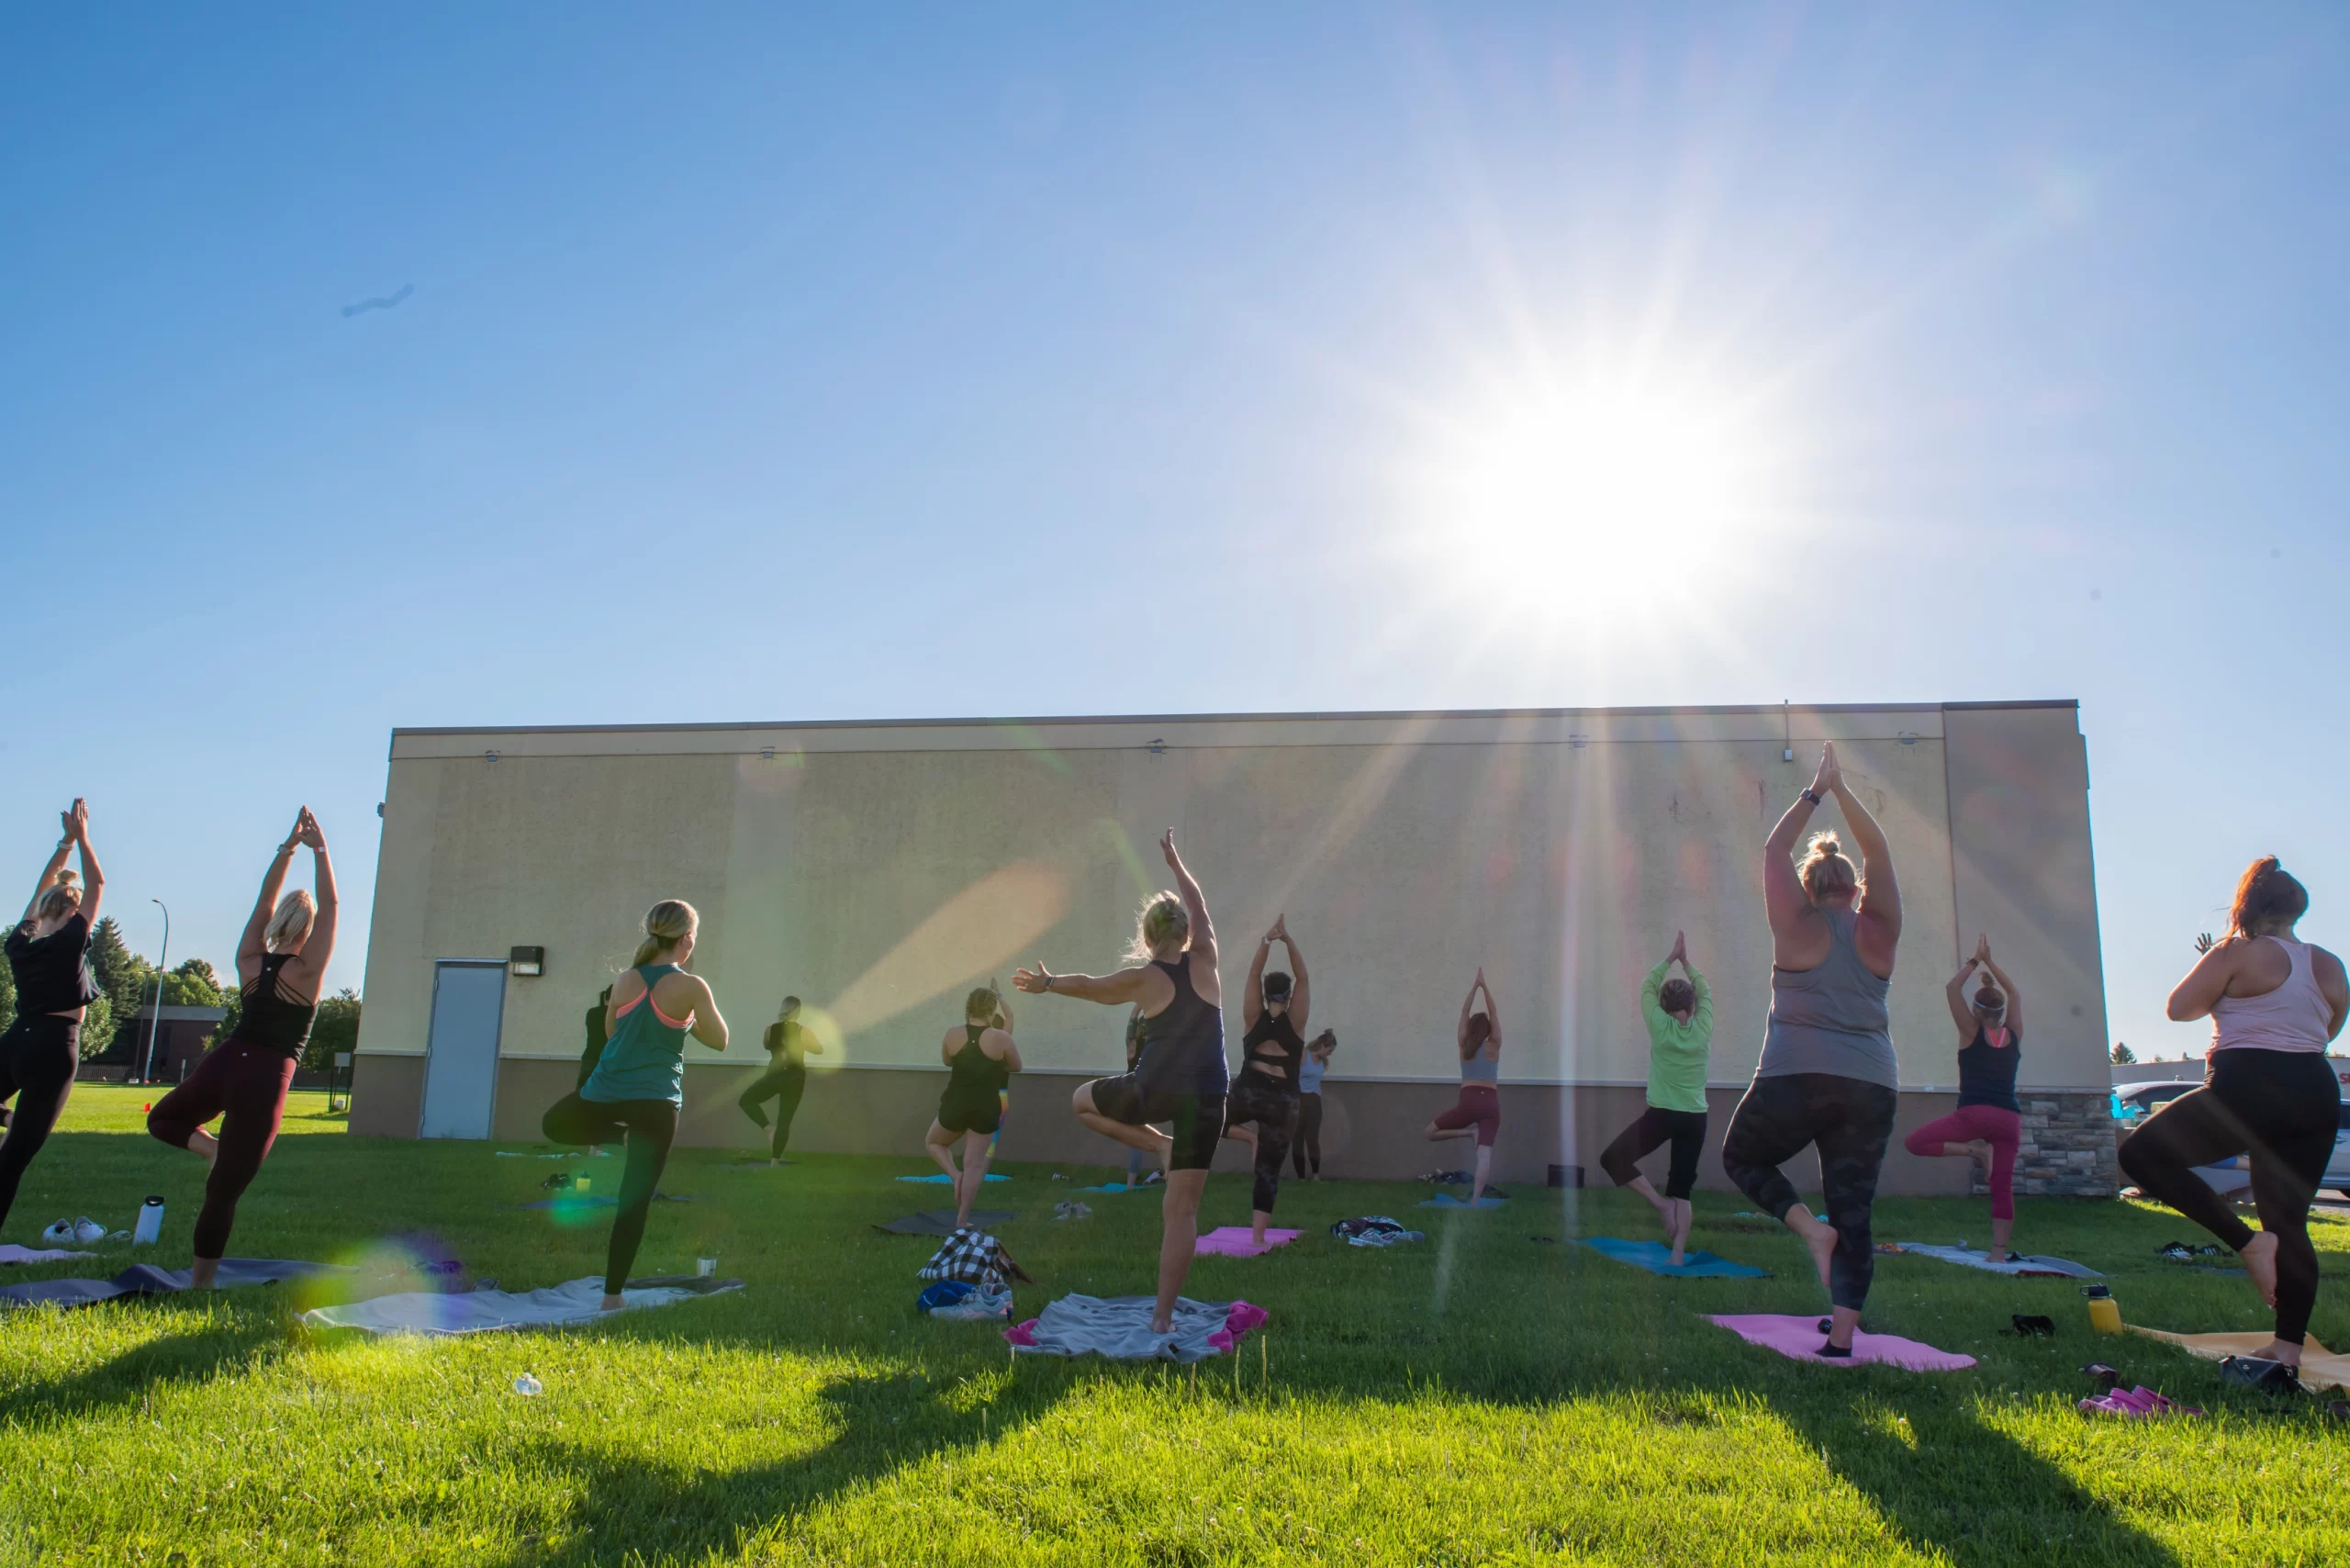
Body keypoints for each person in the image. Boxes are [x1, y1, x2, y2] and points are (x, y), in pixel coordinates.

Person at [2119, 857, 2346, 1388]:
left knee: (2139, 1156)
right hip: (2314, 1089)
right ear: (2298, 907)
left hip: (2247, 1087)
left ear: (2247, 906)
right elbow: (2328, 1027)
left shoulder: (2236, 952)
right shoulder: (2329, 963)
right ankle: (2287, 1348)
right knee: (2289, 1222)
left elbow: (2180, 1009)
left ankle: (2246, 1243)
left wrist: (2218, 967)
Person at [1720, 743, 1903, 1358]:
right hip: (1870, 1084)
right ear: (1856, 889)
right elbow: (1878, 851)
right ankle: (1843, 1340)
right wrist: (1846, 791)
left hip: (1795, 1079)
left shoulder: (1794, 926)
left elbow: (1772, 849)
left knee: (1742, 1157)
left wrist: (1816, 792)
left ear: (1808, 888)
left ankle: (1807, 1230)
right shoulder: (1878, 930)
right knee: (1854, 1208)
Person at [1015, 828, 1225, 1337]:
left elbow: (1092, 988)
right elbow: (1197, 901)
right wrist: (1176, 865)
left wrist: (1047, 983)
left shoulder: (1144, 978)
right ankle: (1162, 1318)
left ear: (1149, 938)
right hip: (1210, 1097)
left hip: (1152, 1091)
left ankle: (1158, 1145)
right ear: (1186, 932)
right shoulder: (1208, 959)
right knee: (1182, 1214)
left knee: (1081, 1102)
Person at [149, 808, 335, 1286]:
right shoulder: (308, 972)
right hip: (265, 1076)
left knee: (162, 1119)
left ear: (278, 923)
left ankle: (209, 1152)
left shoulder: (248, 961)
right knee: (223, 1193)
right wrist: (321, 850)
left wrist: (288, 848)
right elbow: (332, 906)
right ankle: (201, 1286)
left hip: (227, 1060)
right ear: (308, 931)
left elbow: (263, 900)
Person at [541, 900, 730, 1310]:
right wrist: (686, 1018)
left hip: (605, 1091)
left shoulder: (624, 981)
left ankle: (619, 1136)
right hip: (656, 1102)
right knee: (633, 1202)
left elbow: (611, 1033)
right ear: (687, 939)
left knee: (554, 1125)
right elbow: (720, 1040)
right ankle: (612, 1298)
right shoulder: (692, 987)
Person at [2, 801, 104, 1238]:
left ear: (42, 911)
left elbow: (37, 895)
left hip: (16, 1041)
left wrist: (64, 844)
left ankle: (8, 1116)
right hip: (55, 1046)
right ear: (71, 912)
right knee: (13, 1159)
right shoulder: (68, 943)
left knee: (15, 1136)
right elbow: (97, 881)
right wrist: (83, 837)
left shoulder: (20, 944)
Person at [1905, 935, 2025, 1257]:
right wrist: (1991, 963)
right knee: (2002, 1187)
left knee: (1915, 1142)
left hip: (1972, 1116)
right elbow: (2013, 992)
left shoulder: (1970, 1032)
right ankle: (1998, 1252)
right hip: (2009, 1120)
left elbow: (1950, 989)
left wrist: (1975, 961)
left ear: (1975, 1009)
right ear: (2001, 1012)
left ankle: (1975, 1152)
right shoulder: (2014, 1032)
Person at [1598, 930, 1714, 1265]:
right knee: (1682, 1188)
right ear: (1692, 1007)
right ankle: (1677, 1255)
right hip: (1695, 1118)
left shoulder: (1659, 1027)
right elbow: (1706, 992)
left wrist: (1669, 958)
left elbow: (1647, 986)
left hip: (1663, 1114)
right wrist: (1687, 963)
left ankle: (1660, 1205)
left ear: (1663, 1008)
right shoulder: (1703, 1026)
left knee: (1613, 1159)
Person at [1221, 915, 1311, 1245]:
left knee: (1207, 1118)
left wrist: (1266, 940)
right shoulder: (1296, 1020)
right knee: (1268, 1171)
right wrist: (1287, 940)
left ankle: (1248, 1138)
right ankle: (1258, 1239)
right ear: (1287, 998)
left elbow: (1253, 973)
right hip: (1283, 1102)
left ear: (1264, 994)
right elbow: (1302, 976)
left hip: (1249, 1092)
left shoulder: (1252, 1016)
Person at [925, 986, 1022, 1227]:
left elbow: (947, 1060)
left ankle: (954, 1174)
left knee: (933, 1142)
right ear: (992, 1010)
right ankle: (962, 1220)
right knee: (975, 1164)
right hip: (987, 1106)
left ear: (968, 1008)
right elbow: (1017, 1066)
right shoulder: (1001, 1038)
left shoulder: (952, 1034)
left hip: (956, 1102)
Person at [1424, 969, 1502, 1204]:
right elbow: (1494, 1011)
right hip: (1490, 1104)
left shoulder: (1463, 1045)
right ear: (1488, 1031)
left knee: (1429, 1133)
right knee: (1484, 1155)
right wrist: (1484, 986)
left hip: (1468, 1102)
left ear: (1469, 1029)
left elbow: (1464, 1010)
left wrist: (1474, 987)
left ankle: (1469, 1132)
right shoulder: (1495, 1045)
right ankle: (1475, 1201)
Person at [739, 995, 822, 1164]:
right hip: (794, 1079)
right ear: (798, 1011)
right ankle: (774, 1161)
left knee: (746, 1100)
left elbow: (767, 1044)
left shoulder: (770, 1030)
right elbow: (819, 1049)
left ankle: (768, 1129)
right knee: (784, 1120)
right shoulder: (803, 1031)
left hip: (774, 1076)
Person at [576, 984, 614, 1155]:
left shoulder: (592, 1013)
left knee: (585, 1102)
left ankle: (593, 1145)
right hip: (607, 1063)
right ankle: (597, 1146)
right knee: (606, 1104)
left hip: (589, 1061)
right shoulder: (617, 1015)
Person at [1293, 1029, 1336, 1181]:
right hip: (1299, 1100)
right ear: (1323, 1045)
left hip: (1314, 1102)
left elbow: (1316, 1082)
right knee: (1297, 1138)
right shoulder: (1304, 1054)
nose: (1329, 1054)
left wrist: (1317, 1093)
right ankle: (1301, 1177)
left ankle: (1315, 1175)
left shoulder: (1323, 1062)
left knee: (1312, 1139)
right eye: (1329, 1050)